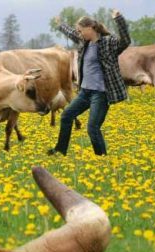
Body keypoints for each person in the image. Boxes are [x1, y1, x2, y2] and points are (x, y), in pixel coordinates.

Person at [47, 9, 131, 156]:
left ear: (90, 28)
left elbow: (125, 40)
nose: (79, 33)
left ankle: (101, 158)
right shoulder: (83, 42)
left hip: (101, 93)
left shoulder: (108, 42)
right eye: (79, 31)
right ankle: (60, 150)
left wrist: (119, 19)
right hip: (85, 92)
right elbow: (71, 33)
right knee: (66, 116)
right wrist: (60, 24)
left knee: (93, 127)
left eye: (81, 30)